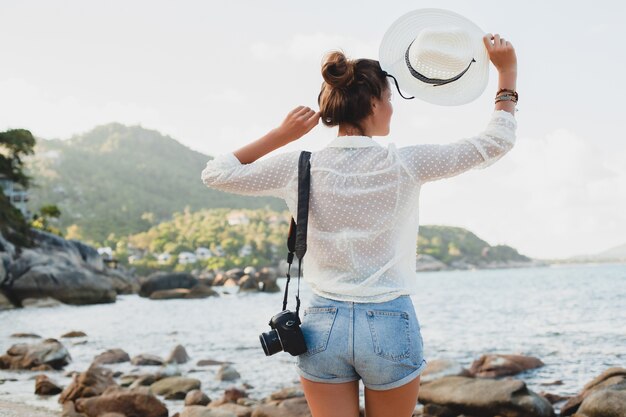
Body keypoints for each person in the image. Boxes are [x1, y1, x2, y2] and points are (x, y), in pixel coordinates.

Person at [201, 27, 517, 417]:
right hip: (390, 321)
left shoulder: (300, 167)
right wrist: (507, 75)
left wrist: (282, 135)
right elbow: (495, 142)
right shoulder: (405, 164)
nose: (392, 107)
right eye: (388, 98)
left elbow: (217, 173)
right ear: (371, 103)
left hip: (321, 326)